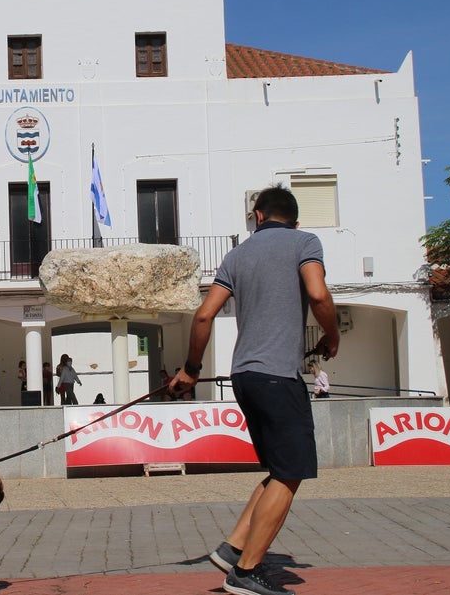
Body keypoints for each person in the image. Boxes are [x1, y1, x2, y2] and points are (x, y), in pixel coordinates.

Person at [171, 185, 339, 595]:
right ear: (294, 220)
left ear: (258, 216)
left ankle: (233, 549)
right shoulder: (305, 241)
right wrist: (332, 336)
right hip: (278, 377)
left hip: (244, 376)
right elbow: (317, 293)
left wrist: (191, 370)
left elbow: (203, 316)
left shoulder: (236, 255)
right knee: (292, 473)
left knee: (280, 471)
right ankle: (246, 572)